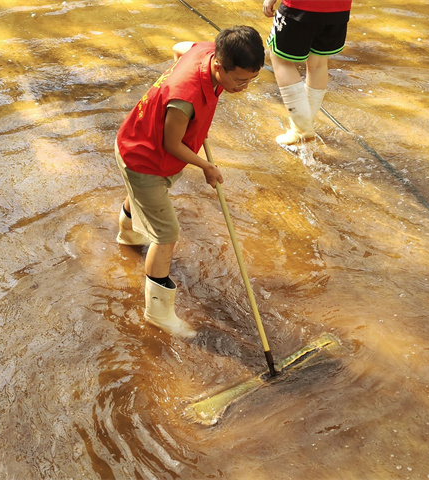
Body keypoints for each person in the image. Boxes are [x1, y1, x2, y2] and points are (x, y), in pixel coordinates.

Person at [115, 26, 265, 338]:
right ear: (219, 66)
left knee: (144, 200)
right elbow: (172, 143)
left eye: (251, 79)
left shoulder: (207, 50)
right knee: (167, 233)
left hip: (133, 138)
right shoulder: (185, 97)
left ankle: (127, 239)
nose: (244, 87)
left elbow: (179, 49)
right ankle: (158, 312)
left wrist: (199, 121)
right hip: (144, 159)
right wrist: (206, 166)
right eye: (239, 80)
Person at [263, 0, 352, 145]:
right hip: (338, 9)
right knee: (318, 64)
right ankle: (305, 126)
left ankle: (301, 129)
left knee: (280, 60)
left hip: (300, 7)